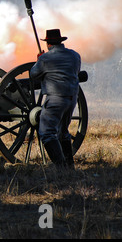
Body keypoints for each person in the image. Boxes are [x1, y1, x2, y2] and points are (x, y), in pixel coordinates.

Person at [30, 29, 81, 170]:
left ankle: (60, 166)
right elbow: (76, 72)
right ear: (60, 41)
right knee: (63, 131)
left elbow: (33, 74)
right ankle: (69, 166)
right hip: (72, 98)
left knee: (46, 133)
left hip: (55, 99)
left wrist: (39, 60)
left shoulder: (45, 59)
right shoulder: (75, 56)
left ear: (48, 44)